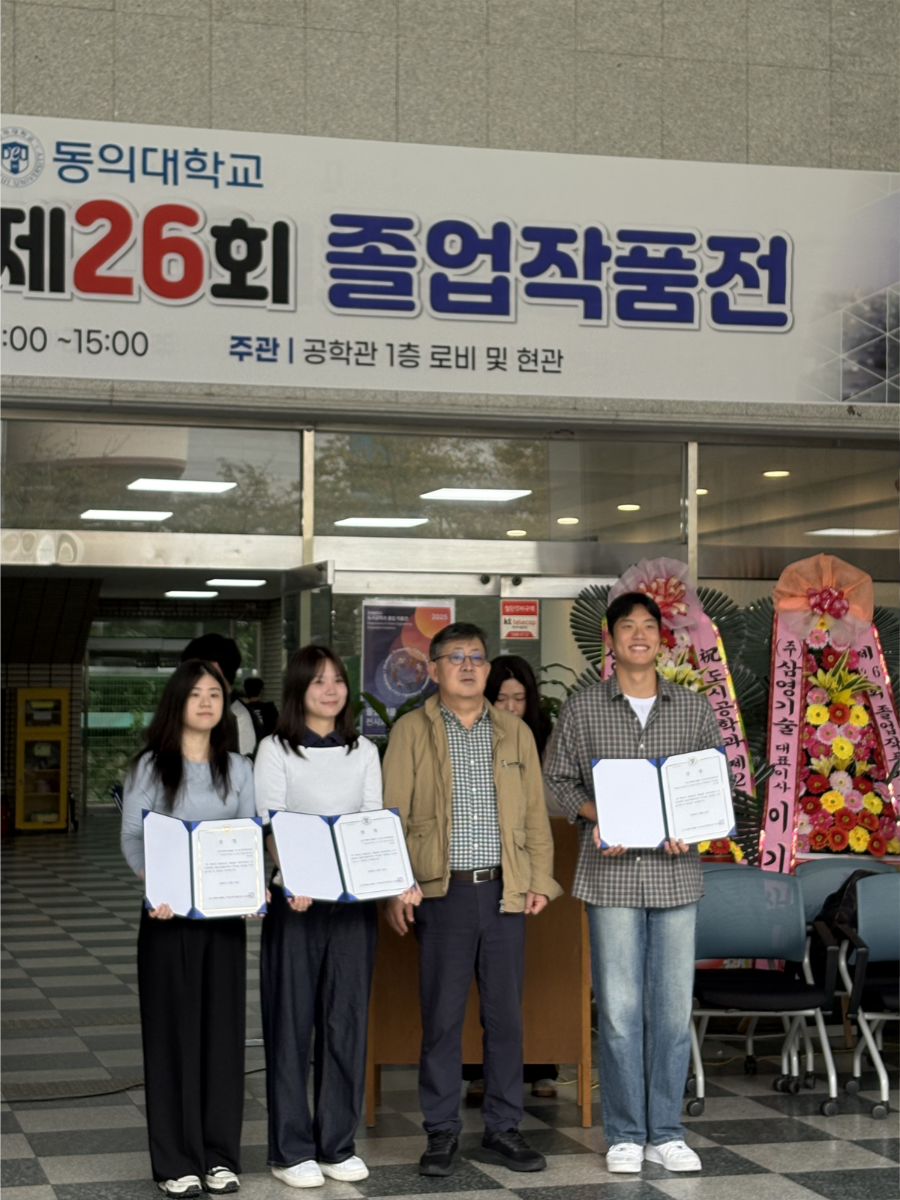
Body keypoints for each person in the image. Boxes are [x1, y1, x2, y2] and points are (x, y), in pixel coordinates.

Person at [545, 591, 728, 1175]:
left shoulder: (692, 709)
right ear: (611, 638)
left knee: (672, 1013)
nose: (640, 635)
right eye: (628, 626)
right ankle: (625, 1134)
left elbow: (711, 782)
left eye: (649, 626)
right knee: (621, 1012)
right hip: (611, 878)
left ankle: (666, 1133)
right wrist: (599, 814)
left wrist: (691, 828)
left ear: (661, 639)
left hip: (675, 877)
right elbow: (558, 780)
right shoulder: (583, 709)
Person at [382, 622, 562, 1178]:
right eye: (455, 657)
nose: (467, 666)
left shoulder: (514, 731)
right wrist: (395, 885)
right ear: (434, 669)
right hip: (443, 894)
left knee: (505, 1019)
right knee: (441, 1019)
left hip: (505, 893)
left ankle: (503, 1129)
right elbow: (391, 814)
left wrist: (539, 879)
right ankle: (441, 1133)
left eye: (477, 657)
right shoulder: (411, 730)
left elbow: (534, 815)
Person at [254, 645, 417, 1189]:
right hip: (296, 903)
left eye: (338, 680)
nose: (331, 690)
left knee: (345, 1022)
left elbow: (371, 822)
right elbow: (271, 822)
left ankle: (336, 1144)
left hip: (351, 905)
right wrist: (293, 875)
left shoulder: (362, 750)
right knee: (291, 1024)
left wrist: (397, 878)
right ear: (298, 690)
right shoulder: (275, 749)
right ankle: (290, 1150)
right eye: (318, 681)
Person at [121, 659, 255, 1199]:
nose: (206, 702)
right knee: (171, 1036)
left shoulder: (238, 767)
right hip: (167, 919)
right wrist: (156, 885)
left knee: (222, 1037)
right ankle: (175, 1161)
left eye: (215, 694)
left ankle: (219, 1157)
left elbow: (249, 834)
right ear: (177, 702)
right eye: (196, 693)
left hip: (224, 922)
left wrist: (252, 890)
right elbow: (133, 837)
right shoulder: (151, 766)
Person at [464, 655, 558, 1102]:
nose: (511, 706)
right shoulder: (472, 733)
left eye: (519, 698)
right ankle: (477, 1070)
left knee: (534, 980)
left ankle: (541, 1065)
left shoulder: (543, 735)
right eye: (502, 698)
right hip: (485, 871)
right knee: (483, 984)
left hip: (532, 870)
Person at [181, 633, 256, 756]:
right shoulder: (187, 711)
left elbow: (245, 765)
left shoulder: (238, 717)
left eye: (192, 669)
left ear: (214, 668)